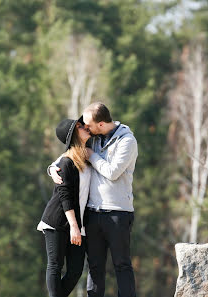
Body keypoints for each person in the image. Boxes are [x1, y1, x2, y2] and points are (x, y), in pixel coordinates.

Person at [49, 102, 138, 297]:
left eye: (87, 124)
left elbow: (113, 172)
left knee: (121, 265)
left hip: (118, 212)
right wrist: (52, 168)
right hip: (92, 214)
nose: (84, 127)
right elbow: (69, 153)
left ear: (100, 124)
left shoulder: (127, 141)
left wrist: (92, 155)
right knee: (95, 267)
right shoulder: (93, 138)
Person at [37, 118, 92, 297]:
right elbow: (64, 196)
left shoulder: (86, 156)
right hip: (59, 221)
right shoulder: (67, 162)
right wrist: (74, 227)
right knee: (55, 265)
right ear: (74, 134)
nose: (85, 127)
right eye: (80, 126)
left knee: (76, 270)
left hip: (78, 224)